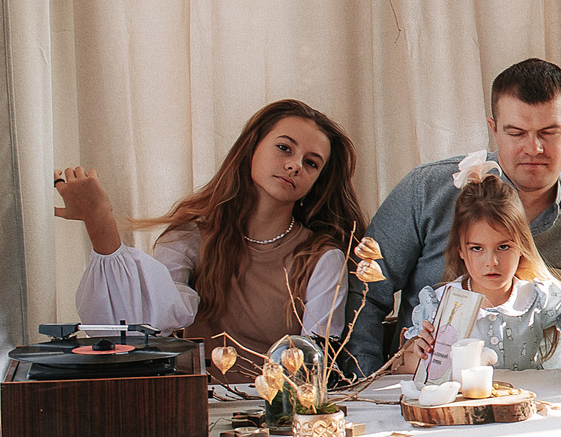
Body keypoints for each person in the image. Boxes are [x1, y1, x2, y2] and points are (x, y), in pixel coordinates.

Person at [350, 58, 561, 379]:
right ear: (494, 129)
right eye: (516, 133)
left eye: (549, 132)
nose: (533, 148)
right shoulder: (427, 191)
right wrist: (364, 384)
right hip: (436, 401)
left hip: (542, 402)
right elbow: (364, 293)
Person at [54, 99, 367, 380]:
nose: (295, 165)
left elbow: (314, 364)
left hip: (278, 411)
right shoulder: (190, 237)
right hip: (197, 406)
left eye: (311, 163)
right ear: (251, 148)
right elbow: (142, 326)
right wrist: (100, 224)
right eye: (285, 148)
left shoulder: (322, 257)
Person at [388, 166, 561, 376]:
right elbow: (399, 368)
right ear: (460, 250)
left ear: (521, 246)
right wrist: (421, 354)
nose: (491, 262)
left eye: (503, 247)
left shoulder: (539, 299)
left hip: (529, 397)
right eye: (477, 248)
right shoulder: (440, 304)